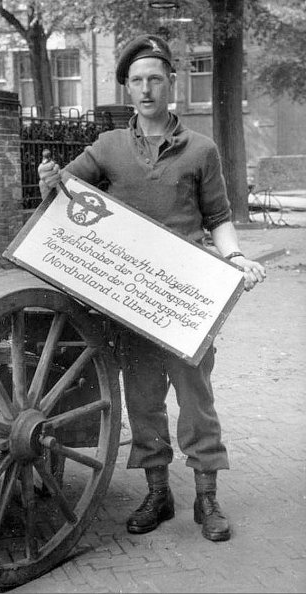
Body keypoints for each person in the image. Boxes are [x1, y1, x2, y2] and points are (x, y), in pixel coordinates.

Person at [38, 34, 266, 542]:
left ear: (171, 84)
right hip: (130, 302)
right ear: (127, 87)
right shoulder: (107, 148)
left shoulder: (201, 150)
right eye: (137, 80)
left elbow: (220, 217)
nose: (146, 89)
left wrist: (234, 257)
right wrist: (49, 177)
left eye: (155, 79)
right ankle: (158, 494)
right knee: (141, 400)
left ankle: (207, 498)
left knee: (196, 397)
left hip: (183, 300)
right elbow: (64, 195)